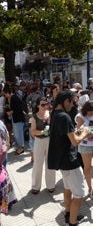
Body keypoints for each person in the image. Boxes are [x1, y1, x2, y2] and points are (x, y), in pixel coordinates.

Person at [48, 91, 93, 226]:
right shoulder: (64, 117)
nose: (73, 105)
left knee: (67, 188)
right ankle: (72, 222)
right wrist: (85, 132)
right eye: (72, 101)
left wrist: (77, 132)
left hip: (61, 161)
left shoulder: (55, 114)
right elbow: (75, 142)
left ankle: (69, 215)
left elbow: (67, 136)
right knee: (79, 195)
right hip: (70, 161)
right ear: (66, 101)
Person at [30, 97, 55, 194]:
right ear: (38, 106)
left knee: (50, 163)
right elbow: (33, 132)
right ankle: (36, 186)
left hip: (50, 141)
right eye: (43, 105)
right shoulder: (34, 117)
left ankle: (51, 185)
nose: (45, 106)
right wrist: (42, 132)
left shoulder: (50, 114)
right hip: (39, 141)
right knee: (38, 164)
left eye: (46, 104)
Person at [75, 100, 93, 199]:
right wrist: (87, 132)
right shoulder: (80, 117)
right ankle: (90, 189)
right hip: (85, 145)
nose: (91, 114)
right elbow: (78, 132)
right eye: (90, 111)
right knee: (87, 167)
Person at [3, 85, 27, 155]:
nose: (4, 95)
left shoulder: (14, 98)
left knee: (18, 134)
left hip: (18, 118)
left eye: (5, 93)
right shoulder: (10, 98)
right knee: (16, 134)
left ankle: (21, 148)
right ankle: (20, 147)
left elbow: (18, 108)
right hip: (15, 118)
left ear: (8, 92)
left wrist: (11, 112)